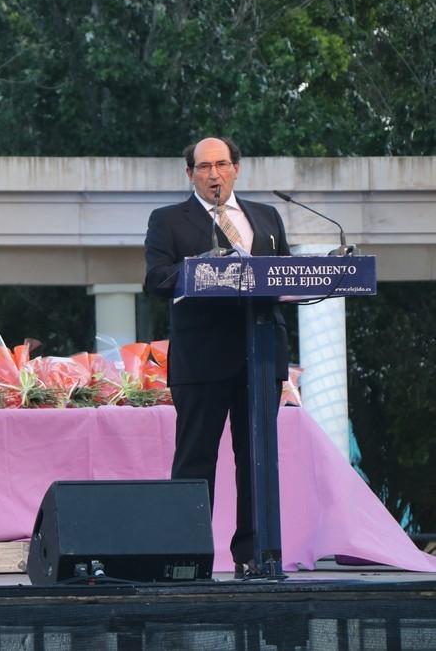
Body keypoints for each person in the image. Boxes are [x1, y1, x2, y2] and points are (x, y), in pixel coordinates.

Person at [143, 136, 290, 579]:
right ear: (189, 174)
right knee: (195, 459)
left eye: (221, 164)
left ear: (236, 169)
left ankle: (257, 553)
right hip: (202, 357)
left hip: (259, 355)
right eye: (204, 167)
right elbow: (156, 278)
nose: (213, 174)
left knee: (257, 458)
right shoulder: (168, 220)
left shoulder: (265, 217)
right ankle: (187, 558)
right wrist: (200, 267)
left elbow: (281, 273)